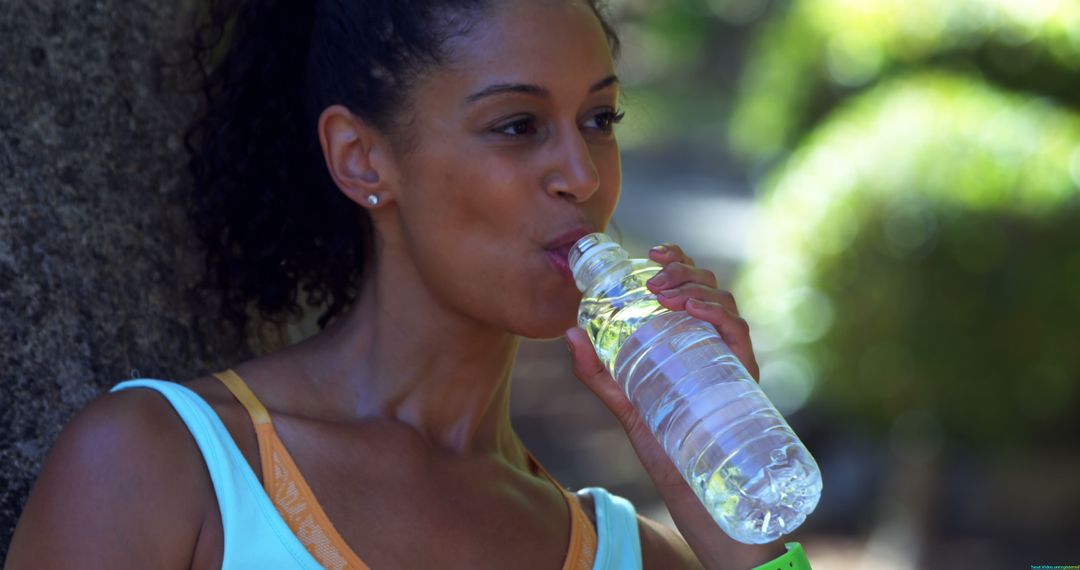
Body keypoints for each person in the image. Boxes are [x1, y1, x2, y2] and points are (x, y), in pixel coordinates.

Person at [6, 0, 801, 568]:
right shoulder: (164, 466)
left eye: (600, 119)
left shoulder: (630, 552)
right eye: (519, 126)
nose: (582, 175)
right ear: (362, 158)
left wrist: (734, 511)